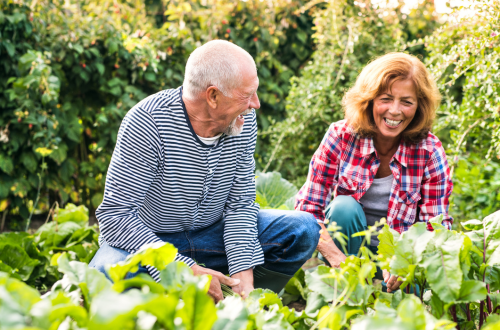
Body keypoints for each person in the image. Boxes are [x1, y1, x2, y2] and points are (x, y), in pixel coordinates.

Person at [89, 40, 320, 302]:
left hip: (213, 237)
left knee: (303, 230)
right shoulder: (148, 122)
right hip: (152, 241)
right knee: (105, 274)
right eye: (247, 94)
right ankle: (179, 295)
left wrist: (244, 277)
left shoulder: (241, 120)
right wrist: (183, 268)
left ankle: (234, 298)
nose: (255, 104)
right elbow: (115, 216)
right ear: (212, 96)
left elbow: (240, 206)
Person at [295, 52, 453, 292]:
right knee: (344, 207)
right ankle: (341, 293)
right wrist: (338, 259)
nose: (395, 111)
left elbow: (435, 227)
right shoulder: (341, 136)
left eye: (407, 102)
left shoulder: (429, 151)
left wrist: (405, 262)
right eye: (386, 99)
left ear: (419, 106)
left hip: (398, 264)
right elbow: (307, 210)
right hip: (345, 255)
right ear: (369, 99)